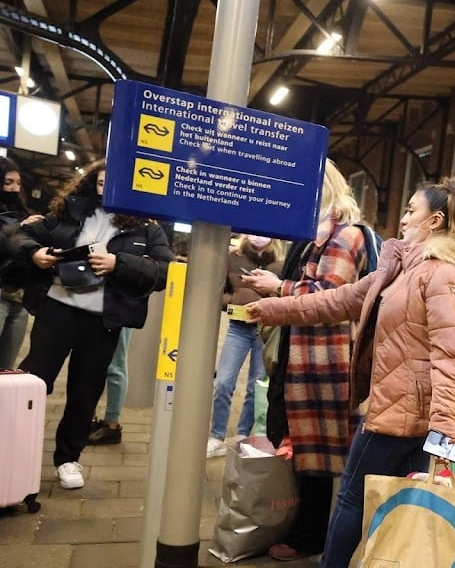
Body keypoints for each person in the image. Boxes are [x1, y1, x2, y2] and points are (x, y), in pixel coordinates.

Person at [247, 176, 455, 568]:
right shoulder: (402, 270)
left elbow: (449, 356)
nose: (404, 218)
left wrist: (446, 427)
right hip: (404, 408)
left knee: (353, 499)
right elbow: (338, 301)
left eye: (412, 210)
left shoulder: (445, 275)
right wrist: (275, 307)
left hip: (402, 412)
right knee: (397, 505)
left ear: (435, 220)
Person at [11, 160, 172, 490]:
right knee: (32, 384)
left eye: (113, 184)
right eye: (100, 183)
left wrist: (118, 263)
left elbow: (164, 271)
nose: (106, 190)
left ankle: (68, 459)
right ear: (91, 184)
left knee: (85, 392)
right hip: (56, 310)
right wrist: (35, 253)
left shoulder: (147, 228)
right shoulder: (69, 213)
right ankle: (13, 451)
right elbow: (16, 235)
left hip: (103, 322)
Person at [243, 161, 369, 561]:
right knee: (300, 444)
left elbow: (330, 297)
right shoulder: (317, 233)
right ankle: (303, 529)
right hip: (305, 355)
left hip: (322, 360)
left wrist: (277, 286)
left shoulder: (344, 235)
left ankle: (310, 536)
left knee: (316, 453)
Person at [205, 234, 284, 457]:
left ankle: (242, 435)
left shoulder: (282, 261)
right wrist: (232, 303)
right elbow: (220, 290)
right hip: (238, 328)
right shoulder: (233, 257)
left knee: (255, 387)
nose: (258, 237)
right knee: (223, 383)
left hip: (266, 330)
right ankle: (217, 436)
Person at [0, 157, 33, 369]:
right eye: (8, 182)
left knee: (6, 368)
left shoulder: (23, 212)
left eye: (18, 183)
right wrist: (21, 227)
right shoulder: (20, 221)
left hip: (20, 298)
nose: (15, 188)